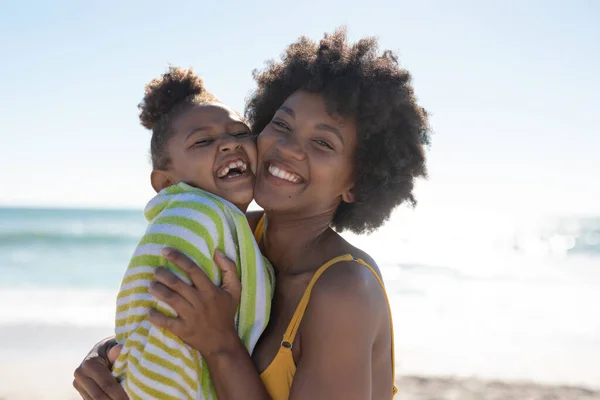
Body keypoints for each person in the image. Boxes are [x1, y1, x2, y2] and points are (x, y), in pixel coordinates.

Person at [73, 27, 430, 400]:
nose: (289, 147)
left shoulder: (346, 291)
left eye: (323, 142)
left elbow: (212, 339)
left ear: (356, 183)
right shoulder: (233, 236)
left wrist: (220, 343)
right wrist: (107, 356)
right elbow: (169, 330)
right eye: (282, 124)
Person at [111, 66, 274, 399]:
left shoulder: (241, 230)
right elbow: (163, 334)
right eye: (203, 141)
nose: (229, 144)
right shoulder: (194, 219)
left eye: (241, 132)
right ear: (167, 183)